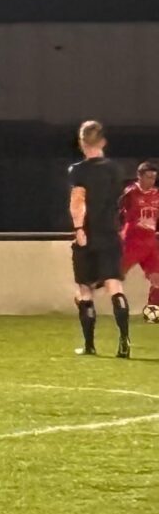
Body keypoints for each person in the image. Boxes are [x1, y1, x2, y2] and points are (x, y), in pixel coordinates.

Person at [69, 119, 131, 358]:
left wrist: (79, 229)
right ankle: (124, 341)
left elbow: (78, 201)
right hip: (110, 233)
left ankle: (89, 345)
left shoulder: (78, 171)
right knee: (114, 285)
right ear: (103, 141)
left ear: (81, 143)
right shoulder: (116, 170)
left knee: (85, 290)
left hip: (89, 234)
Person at [118, 161, 159, 319]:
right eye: (148, 177)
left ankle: (152, 316)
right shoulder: (131, 193)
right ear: (139, 176)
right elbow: (117, 212)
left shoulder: (156, 195)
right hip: (132, 242)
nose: (151, 181)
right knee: (116, 276)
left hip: (150, 243)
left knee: (157, 279)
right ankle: (86, 297)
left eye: (154, 177)